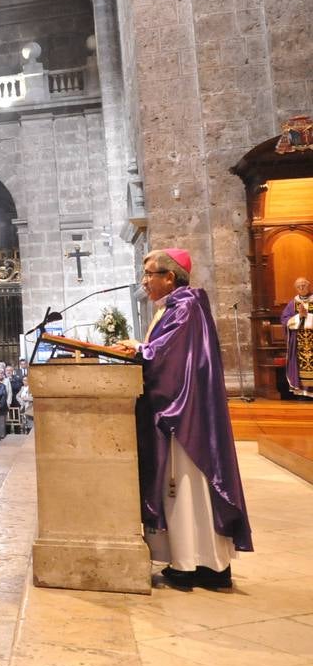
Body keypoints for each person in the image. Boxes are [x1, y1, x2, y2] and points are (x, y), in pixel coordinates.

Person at [118, 248, 253, 589]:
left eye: (150, 274)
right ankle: (200, 562)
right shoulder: (175, 307)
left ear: (170, 277)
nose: (144, 280)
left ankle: (194, 563)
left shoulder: (185, 306)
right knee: (186, 490)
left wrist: (138, 349)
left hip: (182, 413)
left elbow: (167, 355)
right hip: (183, 409)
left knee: (185, 486)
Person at [285, 298, 313, 398]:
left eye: (304, 285)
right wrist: (299, 317)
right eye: (299, 286)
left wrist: (308, 316)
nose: (301, 287)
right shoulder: (292, 303)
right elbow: (285, 320)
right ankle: (303, 393)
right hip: (298, 342)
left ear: (309, 286)